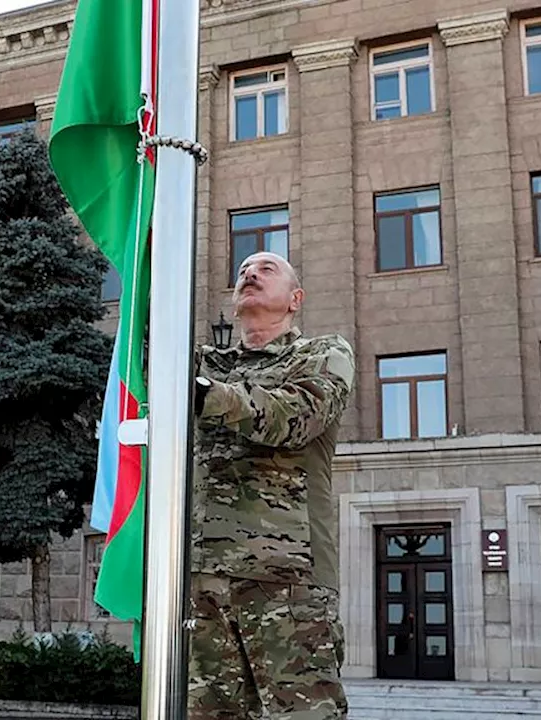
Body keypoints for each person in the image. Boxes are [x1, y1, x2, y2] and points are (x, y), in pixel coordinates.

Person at [187, 251, 355, 719]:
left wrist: (208, 395)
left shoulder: (323, 354)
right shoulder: (204, 361)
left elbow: (296, 417)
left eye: (266, 269)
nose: (250, 275)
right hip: (200, 577)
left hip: (287, 579)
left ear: (295, 299)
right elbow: (141, 358)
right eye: (243, 271)